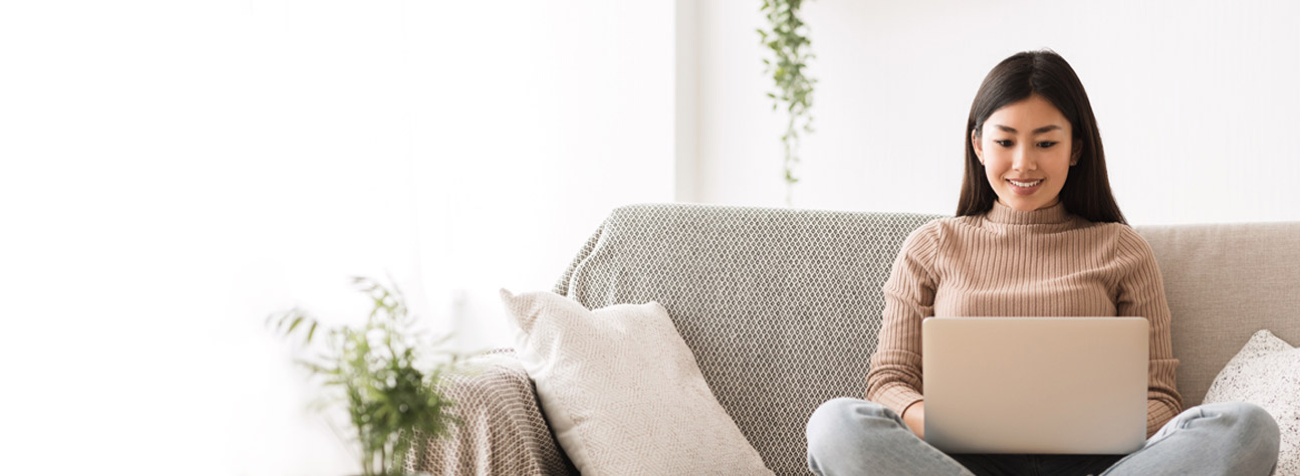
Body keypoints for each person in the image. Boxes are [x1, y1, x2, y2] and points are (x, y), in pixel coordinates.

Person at [804, 50, 1281, 476]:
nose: (1023, 163)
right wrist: (946, 424)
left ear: (1076, 149)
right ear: (978, 145)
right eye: (1005, 142)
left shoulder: (1122, 249)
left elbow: (1160, 398)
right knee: (835, 424)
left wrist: (1092, 426)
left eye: (1046, 143)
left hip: (1096, 464)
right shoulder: (931, 246)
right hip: (958, 463)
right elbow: (889, 383)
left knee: (1248, 428)